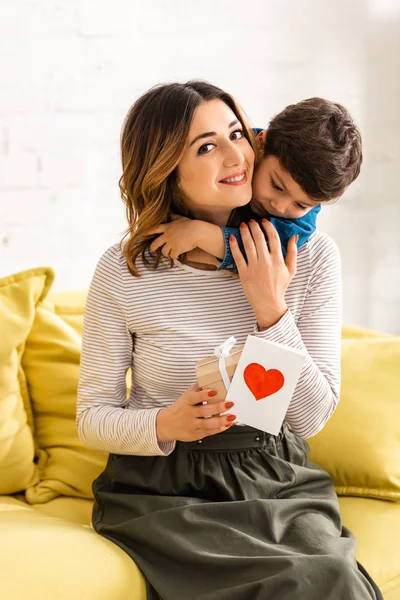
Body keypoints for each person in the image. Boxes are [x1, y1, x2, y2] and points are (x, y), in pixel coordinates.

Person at [77, 80, 383, 600]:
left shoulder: (310, 257)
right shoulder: (124, 270)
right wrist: (168, 422)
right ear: (165, 164)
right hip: (161, 489)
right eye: (206, 145)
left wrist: (271, 308)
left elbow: (310, 418)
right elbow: (93, 417)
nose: (237, 154)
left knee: (329, 579)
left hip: (274, 477)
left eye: (237, 133)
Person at [147, 97, 361, 274]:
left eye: (300, 205)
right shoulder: (237, 153)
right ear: (259, 144)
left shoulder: (304, 234)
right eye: (277, 186)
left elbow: (264, 253)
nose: (279, 206)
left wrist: (198, 234)